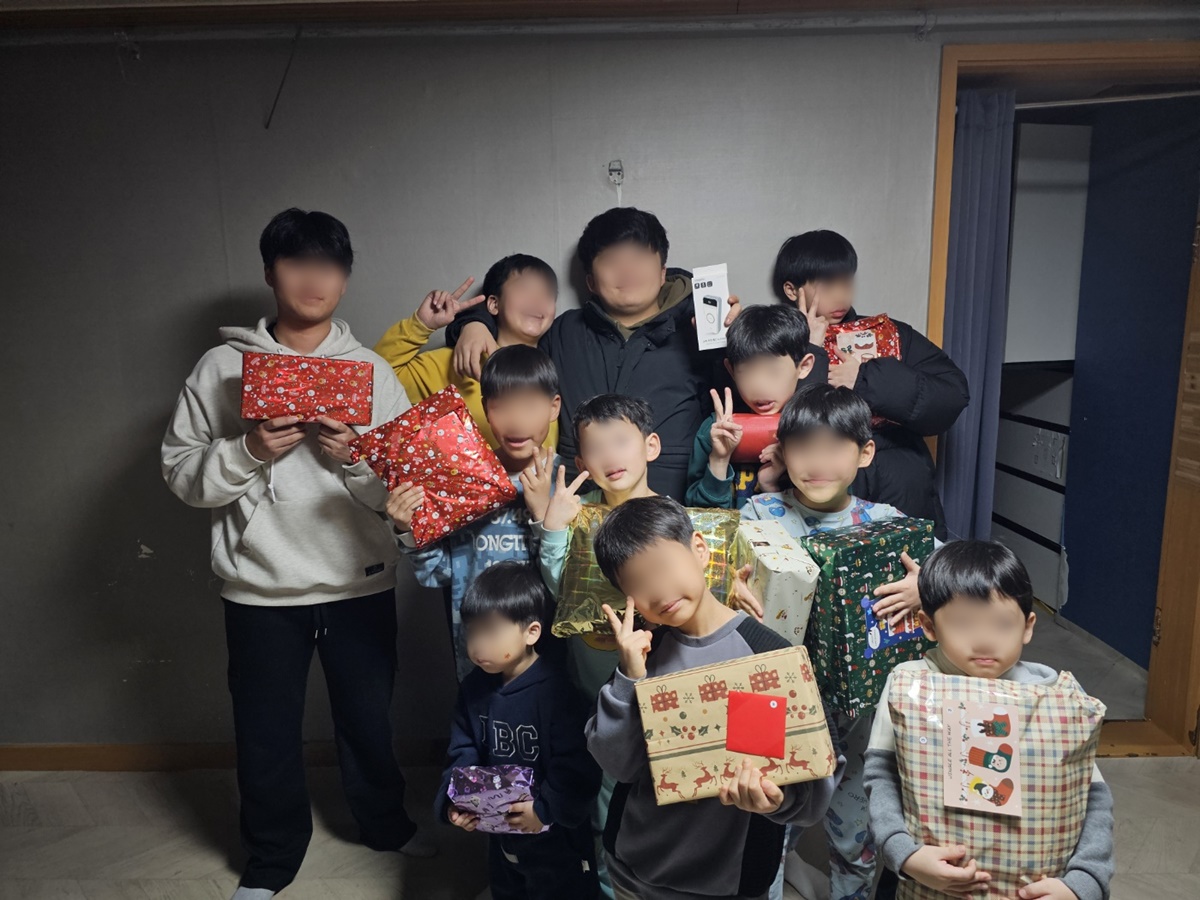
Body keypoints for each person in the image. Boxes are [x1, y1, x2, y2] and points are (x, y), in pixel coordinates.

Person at [160, 208, 432, 900]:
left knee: (369, 722)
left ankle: (385, 826)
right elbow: (182, 474)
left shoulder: (372, 371)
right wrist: (249, 449)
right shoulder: (221, 368)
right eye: (297, 262)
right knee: (265, 733)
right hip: (260, 585)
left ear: (346, 277)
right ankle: (271, 860)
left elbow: (405, 492)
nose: (314, 278)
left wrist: (353, 459)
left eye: (330, 265)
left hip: (358, 581)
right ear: (269, 272)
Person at [585, 497, 843, 900]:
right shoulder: (643, 658)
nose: (658, 591)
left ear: (699, 550)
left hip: (727, 883)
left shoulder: (767, 656)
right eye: (637, 584)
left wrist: (777, 802)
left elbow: (814, 777)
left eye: (663, 567)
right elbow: (620, 766)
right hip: (634, 870)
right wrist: (628, 678)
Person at [736, 383, 922, 900]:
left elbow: (958, 577)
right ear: (781, 452)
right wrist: (728, 583)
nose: (817, 462)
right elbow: (712, 574)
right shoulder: (758, 515)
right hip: (776, 701)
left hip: (862, 712)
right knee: (767, 821)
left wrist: (924, 585)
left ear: (865, 453)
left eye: (834, 447)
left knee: (857, 831)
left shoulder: (887, 524)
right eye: (803, 447)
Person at [864, 541, 1114, 900]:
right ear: (929, 625)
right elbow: (882, 776)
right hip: (924, 879)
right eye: (963, 623)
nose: (984, 641)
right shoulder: (909, 686)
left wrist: (1083, 882)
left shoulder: (1055, 698)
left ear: (1027, 627)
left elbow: (1092, 795)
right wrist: (905, 854)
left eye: (1002, 624)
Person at [441, 207, 740, 500]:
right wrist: (475, 323)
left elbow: (749, 402)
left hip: (675, 505)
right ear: (591, 281)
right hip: (576, 509)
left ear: (663, 273)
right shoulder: (563, 332)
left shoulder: (700, 330)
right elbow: (516, 323)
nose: (627, 270)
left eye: (639, 257)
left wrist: (739, 340)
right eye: (611, 260)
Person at [522, 392, 663, 899]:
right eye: (596, 448)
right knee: (605, 805)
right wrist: (553, 526)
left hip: (659, 688)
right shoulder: (580, 518)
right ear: (581, 461)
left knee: (664, 798)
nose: (611, 456)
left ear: (650, 446)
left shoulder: (673, 517)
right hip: (596, 694)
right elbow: (560, 590)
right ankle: (610, 888)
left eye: (621, 441)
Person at [773, 230, 968, 540]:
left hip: (899, 483)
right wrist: (812, 351)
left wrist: (864, 379)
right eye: (827, 284)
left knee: (911, 568)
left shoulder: (888, 333)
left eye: (846, 282)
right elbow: (764, 413)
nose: (841, 296)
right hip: (814, 491)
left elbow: (952, 396)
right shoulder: (774, 342)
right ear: (791, 289)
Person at [386, 344, 562, 680]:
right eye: (502, 406)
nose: (516, 420)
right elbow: (436, 574)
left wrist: (543, 513)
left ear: (554, 407)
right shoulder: (461, 481)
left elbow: (571, 583)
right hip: (478, 660)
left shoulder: (569, 483)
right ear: (484, 409)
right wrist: (408, 529)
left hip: (552, 661)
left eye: (529, 405)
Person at [436, 562, 602, 900]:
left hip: (556, 837)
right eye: (473, 633)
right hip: (500, 832)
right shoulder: (473, 689)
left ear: (531, 633)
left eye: (491, 632)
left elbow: (576, 765)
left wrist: (545, 810)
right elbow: (462, 751)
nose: (478, 646)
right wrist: (456, 801)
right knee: (507, 887)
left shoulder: (558, 693)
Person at [373, 253, 559, 449]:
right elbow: (372, 377)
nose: (537, 300)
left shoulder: (558, 366)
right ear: (494, 304)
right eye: (524, 289)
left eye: (547, 293)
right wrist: (421, 325)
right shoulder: (449, 363)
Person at [685, 304, 818, 509]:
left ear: (804, 367)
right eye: (746, 372)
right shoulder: (715, 430)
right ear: (731, 370)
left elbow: (835, 513)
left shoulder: (818, 428)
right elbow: (699, 515)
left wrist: (771, 486)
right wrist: (719, 460)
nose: (760, 386)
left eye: (773, 371)